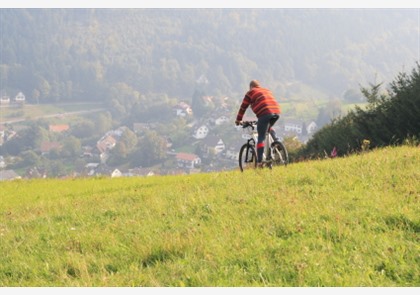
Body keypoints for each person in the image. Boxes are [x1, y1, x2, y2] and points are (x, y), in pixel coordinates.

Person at [235, 80, 281, 167]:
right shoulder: (266, 90)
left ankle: (260, 161)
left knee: (261, 137)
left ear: (251, 87)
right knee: (268, 127)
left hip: (265, 114)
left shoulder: (250, 93)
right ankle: (277, 142)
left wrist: (238, 120)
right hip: (276, 112)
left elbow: (243, 107)